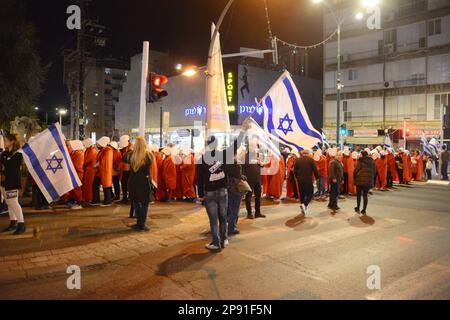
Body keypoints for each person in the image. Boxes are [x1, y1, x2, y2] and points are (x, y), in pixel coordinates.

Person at [201, 136, 229, 251]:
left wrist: (200, 194)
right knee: (223, 217)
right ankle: (224, 240)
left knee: (213, 219)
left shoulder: (203, 158)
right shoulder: (223, 156)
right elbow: (227, 171)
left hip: (210, 191)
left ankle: (216, 243)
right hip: (222, 190)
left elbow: (200, 177)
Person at [123, 136, 153, 232]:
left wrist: (131, 149)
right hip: (144, 182)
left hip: (133, 182)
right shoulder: (148, 155)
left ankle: (138, 223)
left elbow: (123, 159)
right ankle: (142, 224)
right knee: (144, 204)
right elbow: (151, 164)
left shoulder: (131, 155)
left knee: (136, 202)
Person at [0, 133, 26, 234]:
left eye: (6, 140)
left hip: (12, 182)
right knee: (9, 203)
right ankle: (13, 222)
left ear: (12, 142)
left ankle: (21, 224)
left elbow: (12, 167)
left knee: (14, 203)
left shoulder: (18, 154)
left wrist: (5, 163)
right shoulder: (5, 153)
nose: (4, 142)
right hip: (4, 182)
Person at [243, 141, 266, 219]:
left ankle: (257, 212)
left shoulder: (257, 156)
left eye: (256, 146)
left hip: (257, 179)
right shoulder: (245, 156)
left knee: (258, 197)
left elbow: (262, 166)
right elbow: (242, 169)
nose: (255, 148)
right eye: (253, 146)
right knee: (248, 197)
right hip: (249, 180)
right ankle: (249, 213)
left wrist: (261, 163)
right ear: (249, 147)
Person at [294, 149, 319, 215]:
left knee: (302, 193)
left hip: (300, 180)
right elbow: (315, 170)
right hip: (308, 180)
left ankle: (303, 206)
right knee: (310, 193)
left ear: (302, 153)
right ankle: (305, 204)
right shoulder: (311, 160)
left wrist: (297, 177)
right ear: (308, 153)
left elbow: (295, 170)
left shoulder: (297, 160)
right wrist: (317, 178)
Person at [227, 146, 245, 235]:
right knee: (235, 208)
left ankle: (228, 223)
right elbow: (239, 176)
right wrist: (243, 177)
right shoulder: (235, 164)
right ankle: (232, 227)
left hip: (228, 188)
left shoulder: (225, 163)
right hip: (235, 188)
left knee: (230, 207)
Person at [92, 137, 113, 206]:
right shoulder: (104, 150)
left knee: (106, 185)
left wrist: (97, 164)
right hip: (101, 171)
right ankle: (97, 199)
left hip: (105, 171)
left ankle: (107, 201)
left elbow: (104, 161)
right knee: (97, 184)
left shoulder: (108, 150)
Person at [353, 150, 375, 215]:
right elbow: (374, 171)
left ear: (362, 155)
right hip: (368, 181)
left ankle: (358, 207)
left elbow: (356, 170)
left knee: (359, 195)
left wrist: (354, 177)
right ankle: (364, 210)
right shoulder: (372, 161)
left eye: (360, 154)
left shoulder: (360, 161)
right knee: (365, 195)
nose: (359, 155)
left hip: (360, 180)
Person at [67, 140, 84, 210]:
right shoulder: (76, 152)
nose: (70, 146)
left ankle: (79, 203)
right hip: (75, 172)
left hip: (77, 173)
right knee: (74, 189)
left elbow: (77, 165)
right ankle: (76, 201)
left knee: (77, 189)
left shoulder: (79, 153)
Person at [82, 138, 97, 206]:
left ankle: (89, 199)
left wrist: (82, 163)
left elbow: (87, 160)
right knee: (87, 185)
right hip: (88, 170)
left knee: (89, 185)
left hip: (90, 170)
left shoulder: (92, 151)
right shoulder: (89, 150)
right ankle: (87, 199)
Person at [119, 135, 133, 204]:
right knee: (124, 183)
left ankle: (129, 198)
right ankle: (125, 198)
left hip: (129, 170)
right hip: (125, 170)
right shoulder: (126, 148)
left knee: (128, 184)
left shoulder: (131, 148)